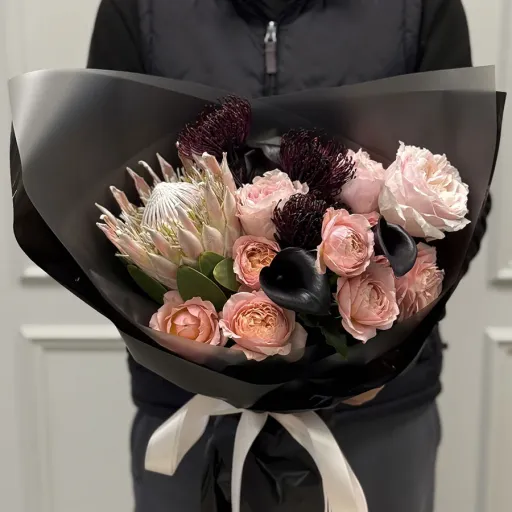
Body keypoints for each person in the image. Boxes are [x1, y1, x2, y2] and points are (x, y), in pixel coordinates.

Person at [85, 1, 484, 511]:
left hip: (376, 409)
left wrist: (384, 346)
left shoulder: (421, 7)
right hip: (190, 408)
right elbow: (98, 185)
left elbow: (462, 193)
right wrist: (191, 345)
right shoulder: (139, 8)